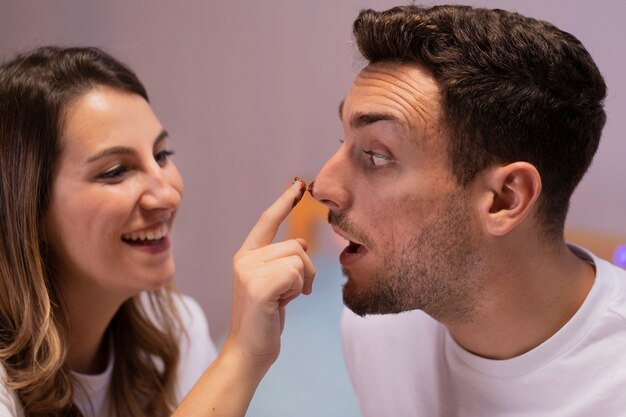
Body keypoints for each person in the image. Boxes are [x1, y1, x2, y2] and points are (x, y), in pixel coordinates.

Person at [310, 5, 626, 416]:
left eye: (376, 155)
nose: (322, 187)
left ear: (504, 199)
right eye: (344, 143)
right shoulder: (378, 333)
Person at [0, 46, 315, 417]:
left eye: (162, 155)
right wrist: (241, 355)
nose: (168, 194)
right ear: (27, 209)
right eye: (116, 170)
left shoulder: (174, 328)